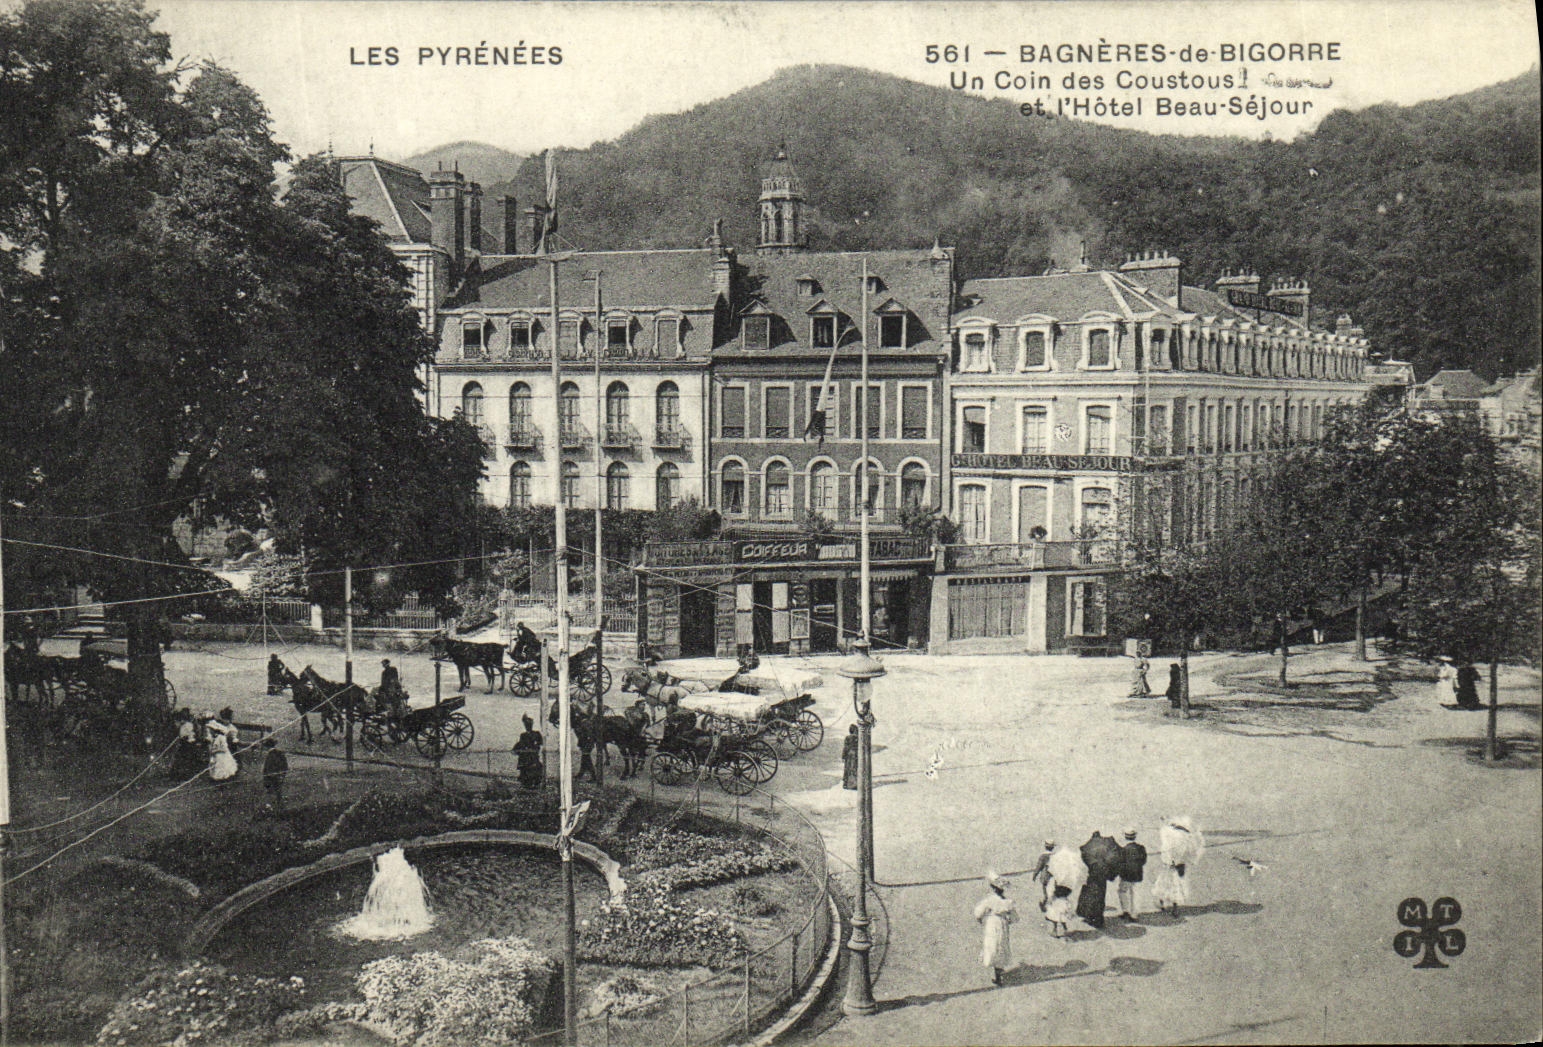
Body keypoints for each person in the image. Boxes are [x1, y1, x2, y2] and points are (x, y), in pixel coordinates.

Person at [1151, 816, 1206, 914]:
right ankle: (1174, 907)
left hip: (1169, 864)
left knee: (1164, 884)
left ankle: (1162, 902)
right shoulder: (1186, 837)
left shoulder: (1169, 834)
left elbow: (1165, 832)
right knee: (1176, 887)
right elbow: (1191, 851)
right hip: (1179, 865)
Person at [973, 872, 1016, 986]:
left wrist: (980, 919)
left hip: (992, 923)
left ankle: (997, 974)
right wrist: (1007, 919)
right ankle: (999, 971)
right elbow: (1015, 918)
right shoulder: (1008, 902)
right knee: (1001, 945)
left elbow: (978, 912)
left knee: (992, 945)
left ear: (993, 889)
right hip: (1002, 924)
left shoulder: (989, 900)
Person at [1076, 830, 1121, 928]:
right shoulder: (1108, 843)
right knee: (1100, 896)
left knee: (1090, 895)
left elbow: (1085, 859)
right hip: (1102, 874)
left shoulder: (1088, 846)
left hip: (1092, 874)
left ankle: (1089, 916)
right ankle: (1098, 919)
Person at [1044, 845, 1086, 940]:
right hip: (1064, 901)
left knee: (1054, 917)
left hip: (1055, 901)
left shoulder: (1055, 879)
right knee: (1063, 917)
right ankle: (1065, 929)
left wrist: (1049, 898)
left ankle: (1054, 930)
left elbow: (1050, 890)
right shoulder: (1069, 882)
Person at [1116, 827, 1147, 920]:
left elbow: (1120, 863)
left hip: (1126, 875)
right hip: (1137, 874)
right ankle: (1134, 914)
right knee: (1135, 894)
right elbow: (1143, 861)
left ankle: (1125, 910)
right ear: (1135, 837)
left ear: (1125, 837)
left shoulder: (1123, 849)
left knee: (1122, 891)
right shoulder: (1141, 848)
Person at [205, 711, 238, 783]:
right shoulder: (215, 738)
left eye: (211, 730)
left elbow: (224, 748)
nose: (210, 731)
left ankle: (222, 780)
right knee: (215, 767)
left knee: (222, 768)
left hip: (221, 756)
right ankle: (217, 779)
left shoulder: (221, 737)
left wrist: (215, 750)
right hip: (216, 755)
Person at [514, 714, 545, 790]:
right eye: (526, 725)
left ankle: (535, 784)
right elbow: (520, 744)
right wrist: (519, 749)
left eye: (529, 724)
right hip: (525, 757)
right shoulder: (523, 735)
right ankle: (526, 785)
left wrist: (535, 746)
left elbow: (540, 743)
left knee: (536, 770)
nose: (528, 726)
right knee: (525, 772)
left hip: (533, 756)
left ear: (531, 725)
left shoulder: (536, 734)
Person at [261, 738, 288, 813]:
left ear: (267, 747)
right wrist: (282, 774)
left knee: (269, 791)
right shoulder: (279, 753)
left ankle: (269, 806)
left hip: (271, 776)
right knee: (278, 790)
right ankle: (280, 805)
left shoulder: (270, 755)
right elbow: (285, 765)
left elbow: (268, 767)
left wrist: (266, 775)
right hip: (278, 775)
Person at [1030, 839, 1056, 911]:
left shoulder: (1043, 856)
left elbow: (1039, 867)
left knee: (1045, 891)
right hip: (1054, 876)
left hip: (1045, 877)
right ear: (1053, 847)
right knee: (1053, 891)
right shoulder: (1055, 855)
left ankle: (1045, 904)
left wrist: (1034, 875)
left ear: (1045, 847)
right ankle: (1051, 904)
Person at [842, 724, 859, 790]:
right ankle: (853, 785)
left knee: (847, 769)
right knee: (854, 769)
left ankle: (845, 784)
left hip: (848, 756)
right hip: (854, 756)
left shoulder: (847, 737)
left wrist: (843, 756)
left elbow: (845, 747)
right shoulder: (857, 738)